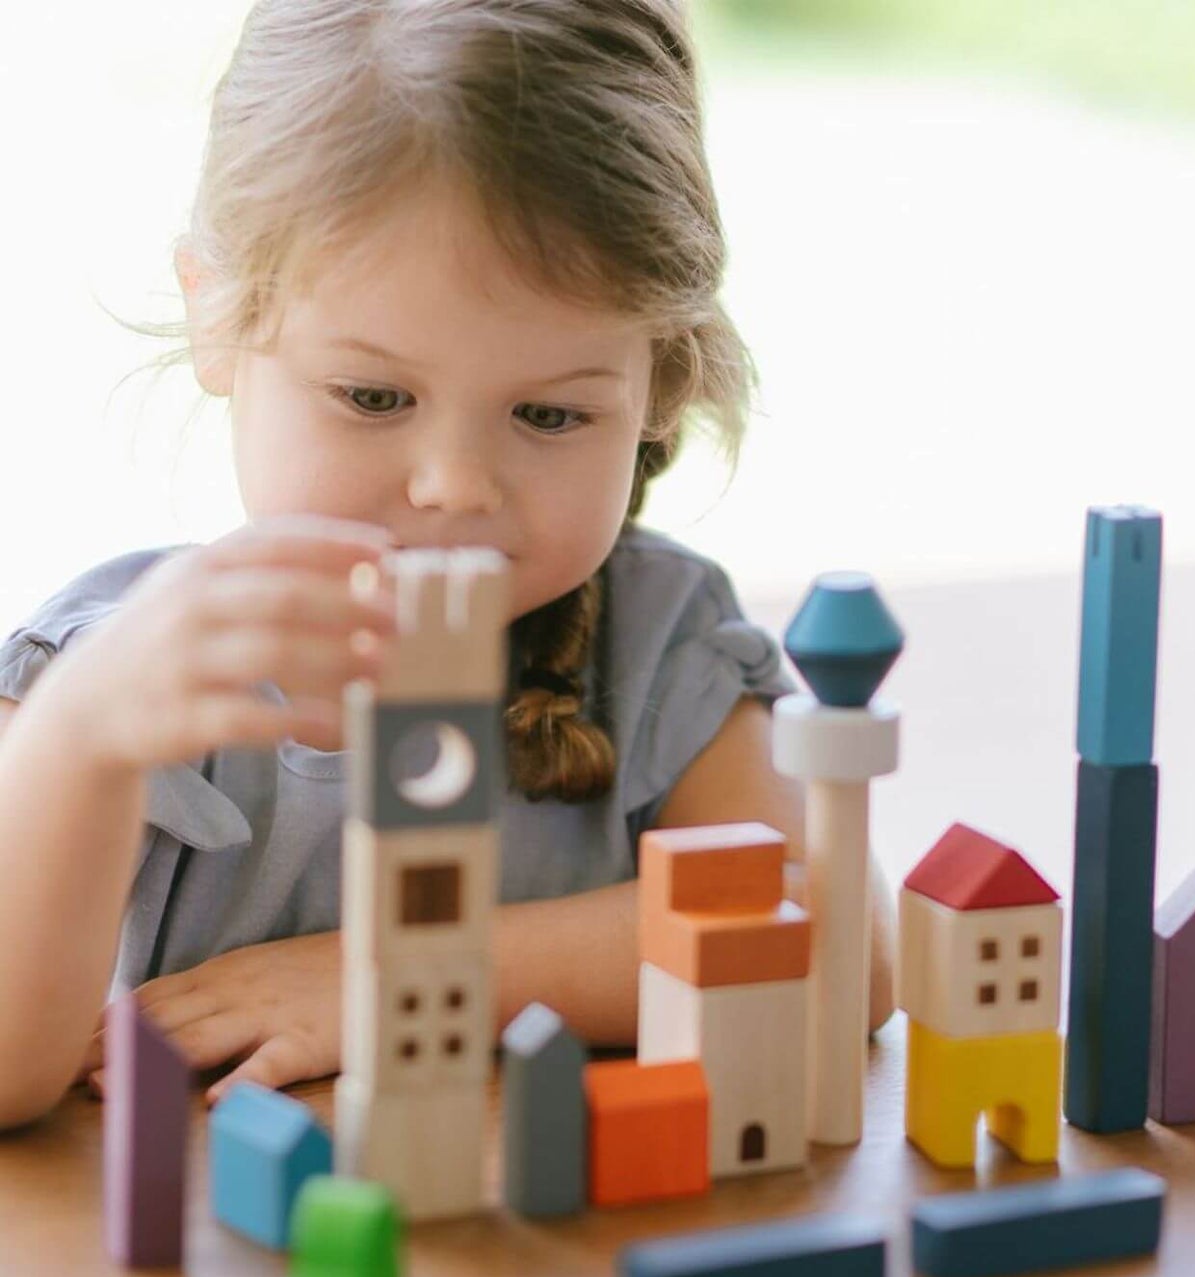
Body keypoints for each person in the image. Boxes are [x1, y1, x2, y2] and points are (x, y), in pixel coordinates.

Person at [0, 0, 895, 1129]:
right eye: (373, 396)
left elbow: (835, 952)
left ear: (659, 383)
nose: (455, 484)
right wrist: (80, 738)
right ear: (218, 319)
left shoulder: (658, 639)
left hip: (546, 1274)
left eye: (550, 413)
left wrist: (381, 973)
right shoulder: (114, 670)